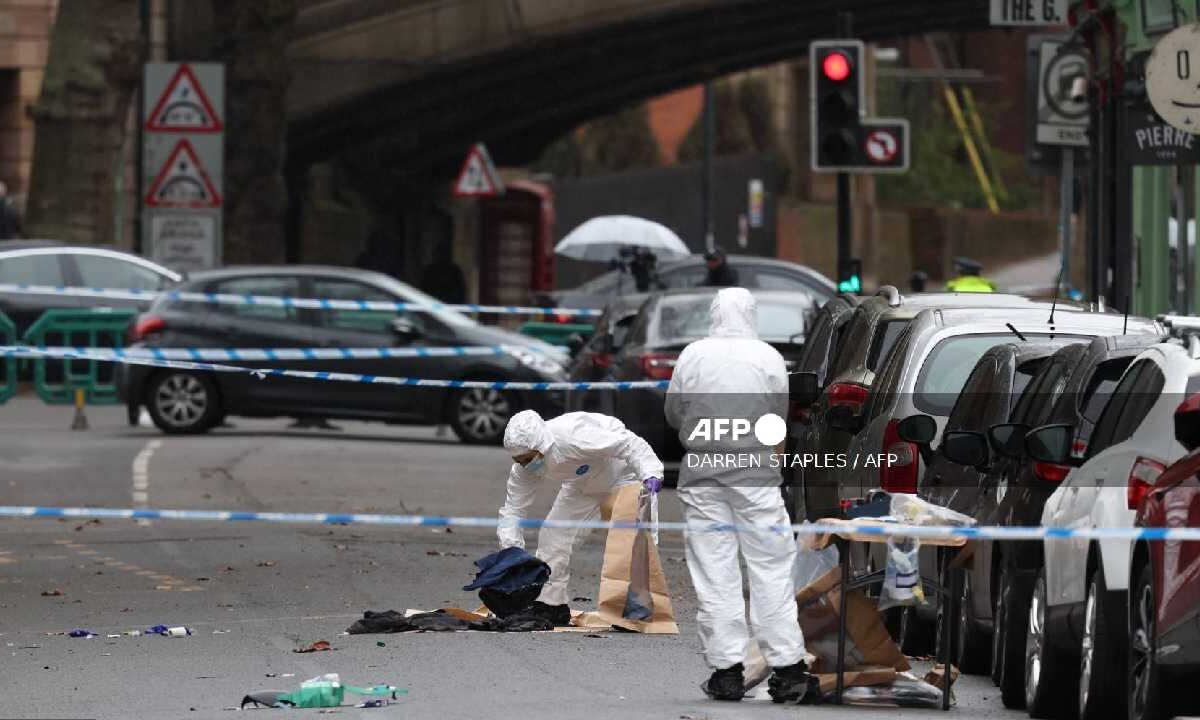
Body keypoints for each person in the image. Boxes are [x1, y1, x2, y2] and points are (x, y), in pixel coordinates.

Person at [665, 287, 811, 703]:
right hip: (755, 473)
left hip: (704, 472)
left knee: (714, 569)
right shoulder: (767, 357)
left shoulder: (693, 353)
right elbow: (777, 414)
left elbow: (674, 412)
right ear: (751, 316)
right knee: (771, 566)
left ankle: (727, 671)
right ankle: (788, 669)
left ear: (714, 314)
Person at [497, 409, 664, 608]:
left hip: (622, 473)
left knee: (631, 539)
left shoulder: (574, 437)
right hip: (581, 484)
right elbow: (513, 511)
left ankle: (636, 607)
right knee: (554, 534)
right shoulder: (524, 468)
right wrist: (512, 554)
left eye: (528, 459)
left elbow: (629, 444)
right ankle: (550, 604)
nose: (525, 465)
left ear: (542, 446)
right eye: (519, 461)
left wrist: (650, 472)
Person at [419, 239, 466, 305]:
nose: (442, 256)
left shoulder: (454, 270)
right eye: (440, 254)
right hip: (433, 304)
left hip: (450, 305)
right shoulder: (430, 270)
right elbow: (424, 289)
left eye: (443, 254)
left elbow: (460, 291)